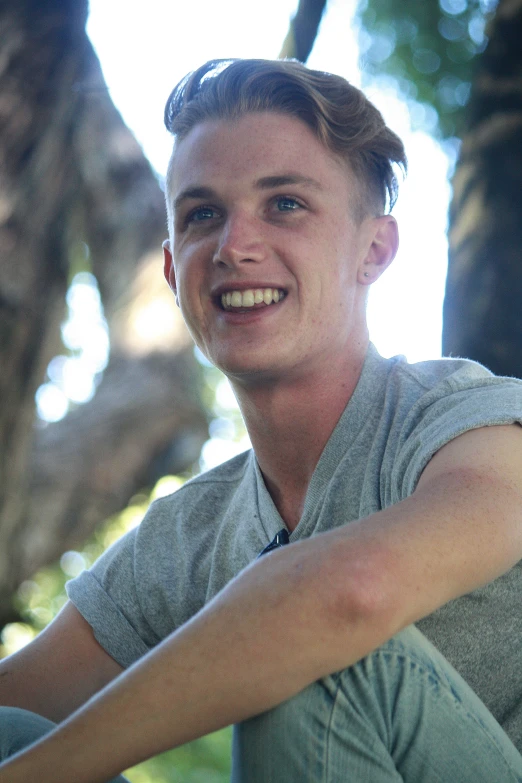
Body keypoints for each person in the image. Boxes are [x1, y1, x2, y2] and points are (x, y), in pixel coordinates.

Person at [0, 58, 521, 783]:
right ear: (173, 266)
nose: (233, 246)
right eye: (202, 214)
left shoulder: (476, 425)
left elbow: (349, 594)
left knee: (313, 652)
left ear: (374, 248)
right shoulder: (190, 535)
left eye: (285, 205)